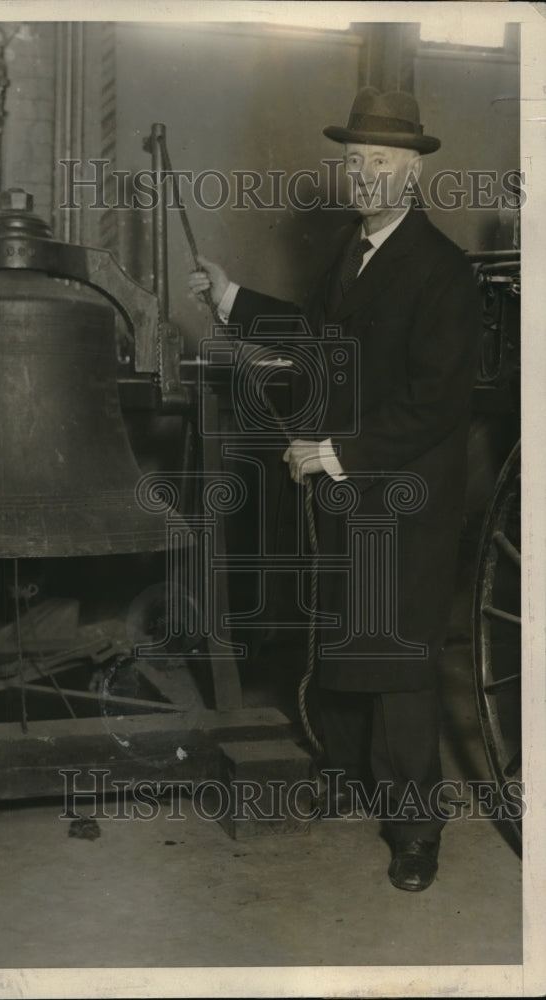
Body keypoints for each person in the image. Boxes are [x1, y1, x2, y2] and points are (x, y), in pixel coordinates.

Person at [189, 87, 482, 892]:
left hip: (405, 495)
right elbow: (319, 339)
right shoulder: (354, 255)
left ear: (413, 174)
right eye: (353, 162)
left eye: (380, 163)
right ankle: (351, 773)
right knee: (354, 635)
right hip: (355, 490)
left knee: (398, 660)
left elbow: (435, 401)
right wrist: (232, 299)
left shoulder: (441, 270)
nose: (363, 176)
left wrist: (334, 451)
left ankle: (416, 829)